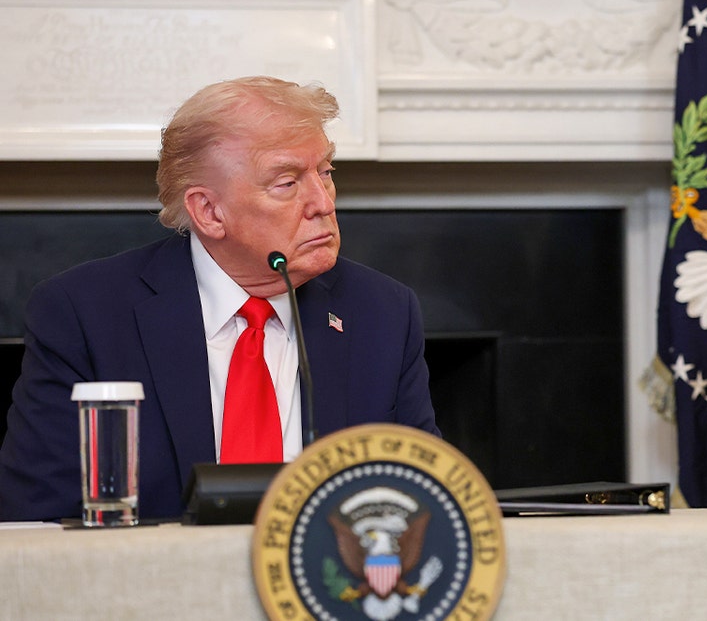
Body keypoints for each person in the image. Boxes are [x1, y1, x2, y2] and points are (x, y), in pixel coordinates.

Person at [0, 76, 439, 521]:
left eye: (325, 173)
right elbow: (35, 522)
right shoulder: (85, 314)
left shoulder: (382, 312)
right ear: (209, 212)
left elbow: (424, 498)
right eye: (287, 183)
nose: (322, 202)